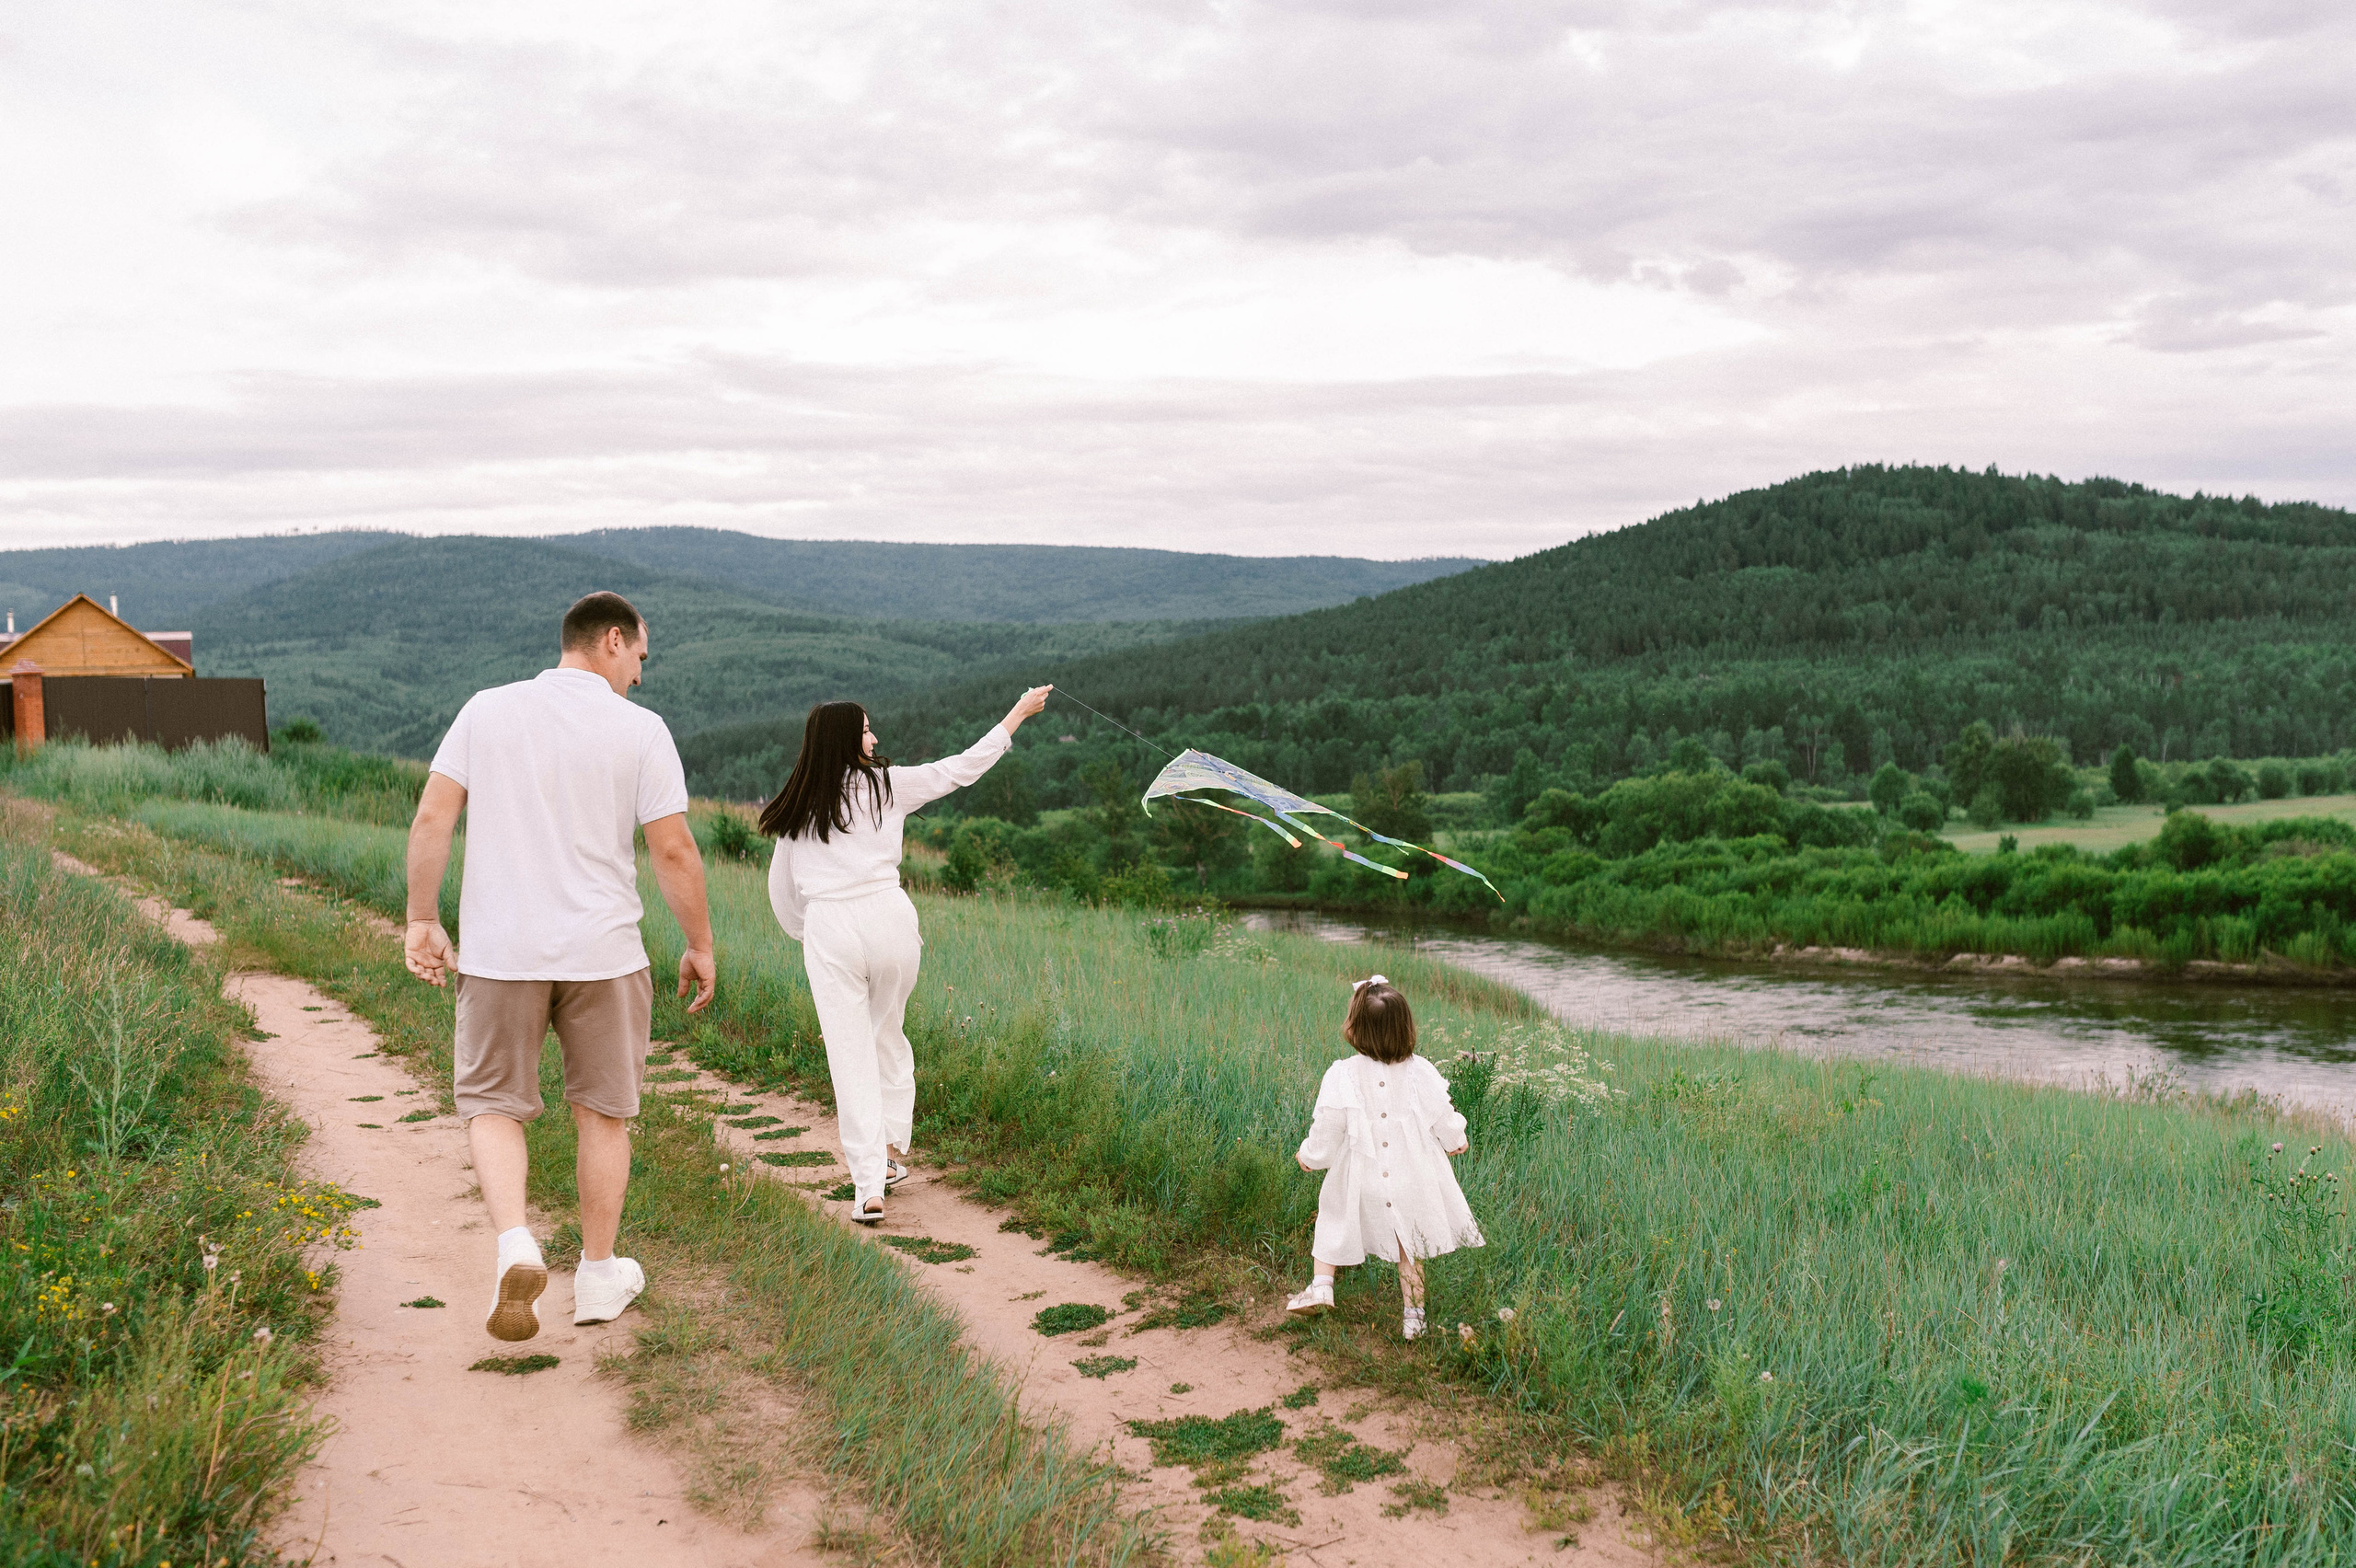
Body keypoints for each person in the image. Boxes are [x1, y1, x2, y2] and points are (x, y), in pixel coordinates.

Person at [404, 591, 717, 1343]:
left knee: (491, 1103)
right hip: (604, 953)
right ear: (612, 640)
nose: (641, 675)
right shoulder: (641, 730)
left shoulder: (485, 709)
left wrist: (422, 917)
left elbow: (432, 817)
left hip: (501, 950)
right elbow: (672, 850)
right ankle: (600, 1275)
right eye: (640, 656)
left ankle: (515, 1240)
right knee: (602, 1111)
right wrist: (701, 942)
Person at [760, 686, 1051, 1224]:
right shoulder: (888, 787)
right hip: (890, 919)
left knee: (850, 1055)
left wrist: (812, 936)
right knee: (887, 1034)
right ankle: (891, 1154)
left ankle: (868, 1185)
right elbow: (961, 768)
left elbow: (783, 895)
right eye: (866, 729)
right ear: (846, 740)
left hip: (831, 927)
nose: (874, 737)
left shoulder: (799, 806)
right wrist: (1017, 713)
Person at [1283, 975, 1482, 1340]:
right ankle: (1414, 1317)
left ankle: (1322, 1285)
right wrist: (1457, 1139)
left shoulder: (1342, 1073)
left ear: (1355, 1029)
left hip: (1360, 1173)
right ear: (1406, 1028)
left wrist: (1310, 1156)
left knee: (1335, 1216)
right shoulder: (1420, 1070)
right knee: (1410, 1244)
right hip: (1413, 1174)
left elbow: (1328, 1129)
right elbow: (1443, 1114)